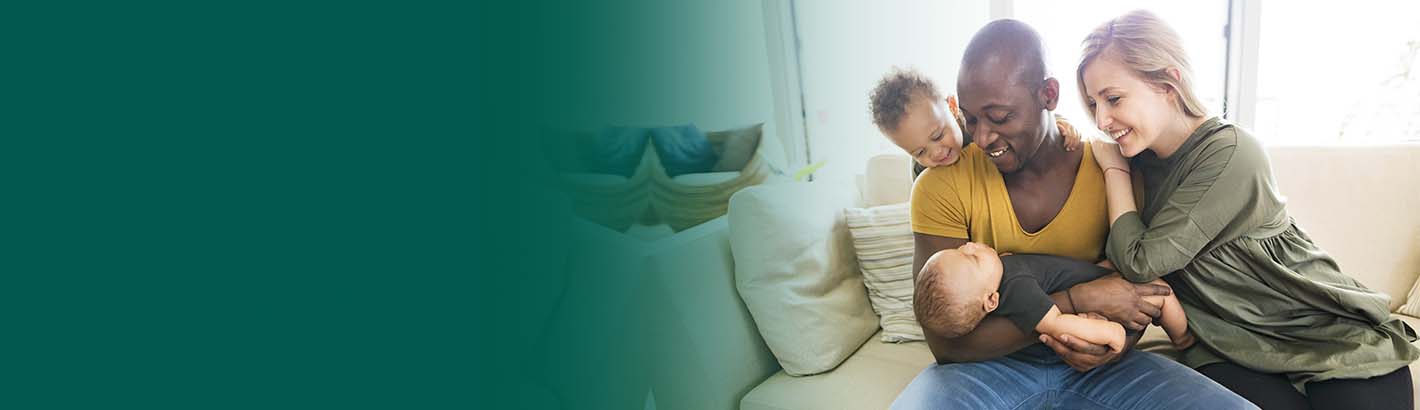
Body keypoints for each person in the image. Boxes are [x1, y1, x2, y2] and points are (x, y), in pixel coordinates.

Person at [874, 19, 1253, 409]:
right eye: (971, 120)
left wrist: (1114, 346)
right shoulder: (941, 186)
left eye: (1000, 117)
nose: (983, 137)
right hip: (986, 367)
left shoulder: (1114, 172)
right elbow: (945, 341)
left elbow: (1133, 292)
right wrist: (1075, 299)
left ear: (1048, 94)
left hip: (1105, 367)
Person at [1079, 9, 1419, 409]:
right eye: (1092, 103)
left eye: (1113, 98)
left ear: (1168, 82)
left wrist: (1115, 172)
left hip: (1318, 329)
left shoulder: (1232, 152)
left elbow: (1141, 260)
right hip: (1226, 346)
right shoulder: (1141, 160)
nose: (1101, 119)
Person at [915, 242, 1193, 355]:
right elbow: (1057, 323)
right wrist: (1111, 333)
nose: (971, 244)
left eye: (961, 248)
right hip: (1106, 295)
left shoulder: (1001, 277)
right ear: (991, 301)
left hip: (1093, 273)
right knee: (1160, 291)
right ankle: (1183, 339)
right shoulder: (1017, 290)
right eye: (972, 256)